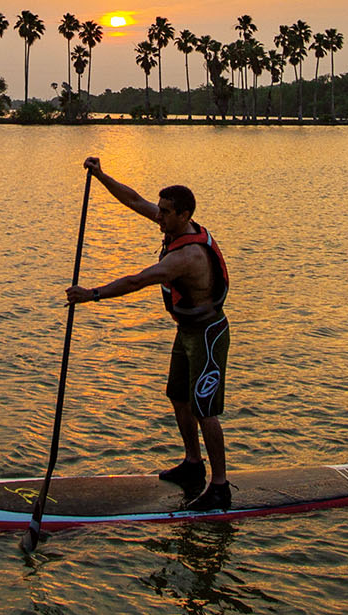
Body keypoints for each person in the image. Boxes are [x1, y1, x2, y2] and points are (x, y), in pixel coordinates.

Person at [65, 155, 233, 511]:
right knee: (178, 397)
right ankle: (192, 465)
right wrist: (100, 176)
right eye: (159, 210)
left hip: (207, 335)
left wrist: (91, 294)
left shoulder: (185, 256)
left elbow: (138, 280)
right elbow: (133, 200)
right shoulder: (174, 227)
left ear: (184, 215)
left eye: (166, 212)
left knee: (205, 411)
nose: (158, 216)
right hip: (186, 331)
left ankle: (220, 487)